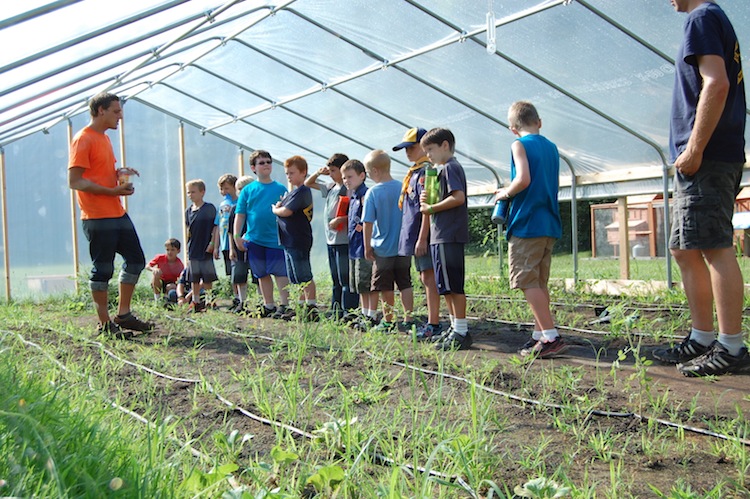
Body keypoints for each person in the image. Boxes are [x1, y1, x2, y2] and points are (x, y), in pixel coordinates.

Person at [652, 0, 749, 376]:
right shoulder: (708, 18)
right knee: (683, 247)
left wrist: (694, 148)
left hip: (707, 156)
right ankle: (703, 337)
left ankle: (730, 346)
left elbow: (717, 82)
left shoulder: (702, 17)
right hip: (705, 157)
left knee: (714, 246)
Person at [67, 92, 152, 336]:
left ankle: (123, 315)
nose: (120, 116)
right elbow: (75, 181)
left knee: (136, 260)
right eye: (116, 111)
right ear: (100, 110)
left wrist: (119, 173)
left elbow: (99, 171)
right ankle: (105, 325)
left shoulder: (104, 138)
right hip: (96, 216)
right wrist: (111, 190)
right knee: (103, 269)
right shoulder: (83, 139)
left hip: (116, 211)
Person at [496, 102, 567, 359]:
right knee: (539, 281)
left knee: (525, 280)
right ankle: (539, 335)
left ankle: (551, 336)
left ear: (513, 129)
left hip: (527, 222)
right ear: (539, 121)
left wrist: (505, 192)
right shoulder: (551, 147)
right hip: (548, 221)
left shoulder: (519, 145)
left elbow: (523, 179)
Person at [419, 128, 471, 350]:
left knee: (454, 285)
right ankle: (454, 327)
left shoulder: (451, 167)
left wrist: (432, 207)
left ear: (445, 145)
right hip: (440, 235)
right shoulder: (441, 170)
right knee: (446, 286)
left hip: (449, 234)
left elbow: (458, 197)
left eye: (430, 150)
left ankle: (461, 331)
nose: (428, 155)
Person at [393, 127, 441, 336]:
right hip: (414, 234)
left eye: (411, 147)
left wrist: (422, 238)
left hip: (425, 235)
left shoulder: (427, 172)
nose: (407, 152)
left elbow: (427, 208)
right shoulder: (413, 173)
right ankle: (432, 321)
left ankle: (434, 323)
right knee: (424, 277)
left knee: (429, 278)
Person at [233, 150, 290, 317]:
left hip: (276, 239)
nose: (266, 165)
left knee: (280, 273)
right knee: (261, 273)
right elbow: (240, 214)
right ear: (253, 168)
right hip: (254, 239)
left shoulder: (280, 188)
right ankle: (269, 305)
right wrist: (237, 236)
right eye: (261, 163)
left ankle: (285, 305)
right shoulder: (247, 190)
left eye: (268, 162)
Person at [362, 149, 414, 333]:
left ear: (375, 170)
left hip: (382, 248)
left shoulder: (373, 193)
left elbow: (368, 222)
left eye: (368, 173)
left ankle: (389, 320)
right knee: (405, 283)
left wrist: (367, 246)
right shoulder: (403, 187)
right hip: (402, 246)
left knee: (385, 286)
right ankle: (409, 319)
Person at [305, 153, 359, 319]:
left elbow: (355, 213)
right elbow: (308, 183)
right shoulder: (330, 187)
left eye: (334, 170)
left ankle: (348, 311)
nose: (332, 173)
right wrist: (320, 173)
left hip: (343, 239)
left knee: (345, 278)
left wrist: (340, 219)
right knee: (335, 277)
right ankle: (335, 310)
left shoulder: (348, 189)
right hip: (331, 239)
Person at [272, 155, 318, 321]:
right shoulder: (292, 192)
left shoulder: (303, 191)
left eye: (292, 173)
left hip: (298, 239)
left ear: (303, 172)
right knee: (294, 277)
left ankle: (311, 307)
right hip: (288, 240)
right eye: (287, 173)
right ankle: (299, 307)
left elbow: (286, 211)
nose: (289, 176)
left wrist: (275, 210)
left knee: (304, 275)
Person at [341, 159, 378, 329]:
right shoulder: (353, 197)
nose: (346, 180)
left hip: (365, 247)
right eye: (344, 178)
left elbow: (371, 220)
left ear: (362, 176)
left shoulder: (366, 195)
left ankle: (372, 314)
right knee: (359, 285)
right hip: (354, 247)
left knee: (368, 282)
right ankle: (364, 313)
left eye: (350, 176)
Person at [185, 179, 219, 312]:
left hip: (206, 246)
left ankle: (209, 300)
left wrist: (213, 243)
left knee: (207, 276)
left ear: (202, 192)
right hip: (193, 247)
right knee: (194, 276)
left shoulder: (209, 208)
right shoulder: (188, 211)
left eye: (193, 192)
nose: (190, 195)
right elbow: (188, 230)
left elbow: (215, 228)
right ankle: (196, 301)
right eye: (188, 192)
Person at [227, 175, 258, 312]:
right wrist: (231, 248)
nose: (241, 192)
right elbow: (230, 230)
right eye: (238, 189)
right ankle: (242, 301)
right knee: (239, 274)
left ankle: (261, 301)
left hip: (256, 243)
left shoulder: (257, 207)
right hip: (239, 245)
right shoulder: (235, 209)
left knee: (258, 274)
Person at [215, 174, 239, 306]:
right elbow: (218, 226)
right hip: (225, 243)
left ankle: (242, 297)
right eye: (221, 189)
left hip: (237, 241)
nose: (224, 192)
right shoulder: (222, 205)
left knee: (239, 270)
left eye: (227, 188)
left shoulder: (239, 203)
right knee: (231, 272)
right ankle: (236, 297)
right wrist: (216, 246)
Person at [146, 238, 184, 303]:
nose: (169, 252)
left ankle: (166, 299)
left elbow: (181, 279)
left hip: (171, 283)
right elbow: (147, 266)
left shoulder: (179, 264)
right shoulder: (160, 258)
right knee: (156, 275)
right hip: (161, 281)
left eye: (172, 250)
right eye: (167, 250)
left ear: (178, 251)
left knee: (170, 286)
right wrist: (153, 269)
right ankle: (157, 299)